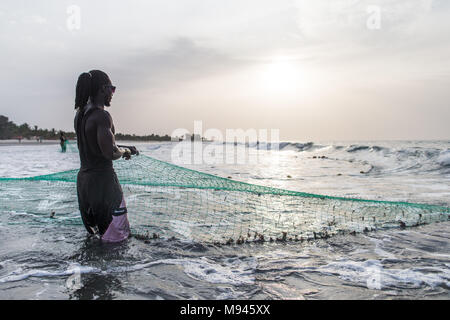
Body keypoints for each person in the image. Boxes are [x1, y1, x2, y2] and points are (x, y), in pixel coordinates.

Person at [74, 70, 137, 242]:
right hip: (103, 184)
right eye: (112, 89)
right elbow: (109, 152)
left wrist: (124, 146)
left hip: (84, 184)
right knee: (118, 240)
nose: (112, 94)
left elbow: (94, 145)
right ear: (103, 89)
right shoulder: (102, 116)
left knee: (95, 238)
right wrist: (126, 152)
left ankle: (89, 269)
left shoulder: (80, 115)